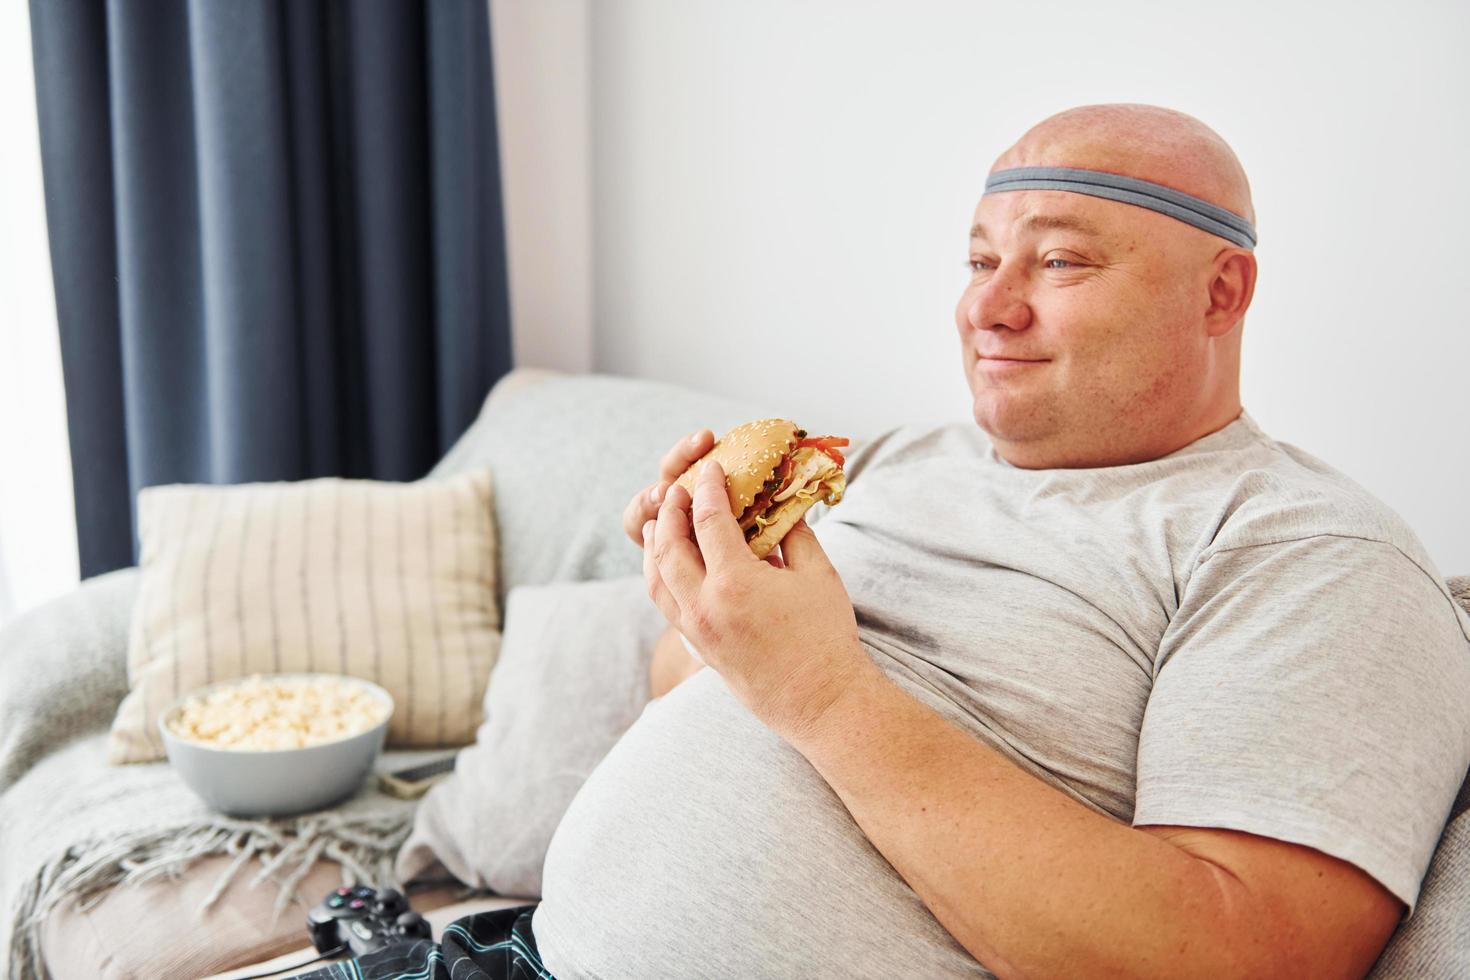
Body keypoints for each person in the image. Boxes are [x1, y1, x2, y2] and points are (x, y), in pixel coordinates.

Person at [309, 103, 1470, 979]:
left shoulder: (1308, 552)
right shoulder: (901, 460)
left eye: (1059, 259)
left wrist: (822, 687)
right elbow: (694, 698)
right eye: (978, 259)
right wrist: (703, 602)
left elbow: (1245, 950)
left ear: (1223, 292)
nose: (987, 305)